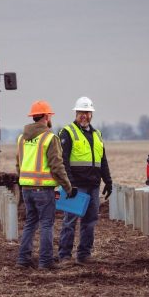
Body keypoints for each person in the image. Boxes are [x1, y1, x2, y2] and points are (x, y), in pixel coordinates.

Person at [16, 100, 76, 270]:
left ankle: (23, 260)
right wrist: (68, 187)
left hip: (26, 188)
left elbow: (18, 164)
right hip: (43, 190)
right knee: (46, 224)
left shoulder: (22, 138)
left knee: (30, 223)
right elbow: (57, 166)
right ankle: (45, 262)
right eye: (50, 115)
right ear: (46, 116)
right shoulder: (49, 137)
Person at [57, 96, 113, 265]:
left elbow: (102, 160)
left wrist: (108, 181)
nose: (84, 116)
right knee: (70, 221)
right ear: (76, 113)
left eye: (87, 113)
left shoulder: (97, 134)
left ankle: (84, 254)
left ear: (91, 115)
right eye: (81, 112)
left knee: (90, 221)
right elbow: (63, 161)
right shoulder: (67, 132)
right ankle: (65, 255)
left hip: (93, 185)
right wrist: (70, 184)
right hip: (76, 186)